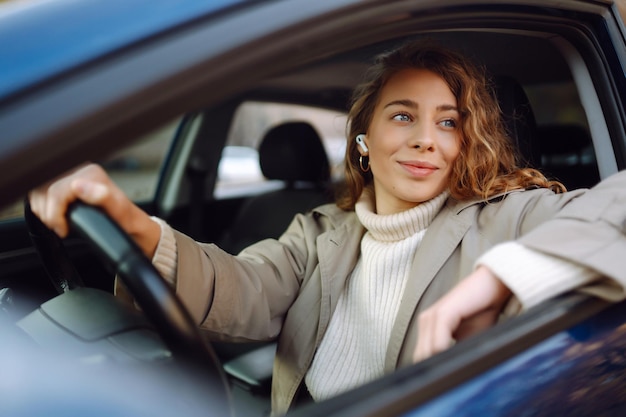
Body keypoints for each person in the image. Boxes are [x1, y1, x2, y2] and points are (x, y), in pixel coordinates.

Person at [29, 41, 626, 416]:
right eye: (403, 115)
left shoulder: (511, 217)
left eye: (450, 122)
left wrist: (502, 275)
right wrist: (136, 226)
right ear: (363, 140)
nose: (426, 138)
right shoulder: (321, 231)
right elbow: (240, 288)